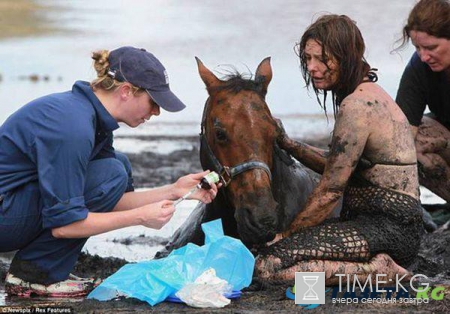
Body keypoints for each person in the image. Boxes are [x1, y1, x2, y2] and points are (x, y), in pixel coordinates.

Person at [0, 46, 219, 297]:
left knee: (117, 167)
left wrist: (174, 191)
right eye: (154, 101)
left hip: (11, 207)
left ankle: (40, 269)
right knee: (112, 172)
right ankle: (34, 276)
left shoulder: (91, 119)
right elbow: (65, 225)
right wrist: (140, 217)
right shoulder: (73, 127)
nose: (156, 112)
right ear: (126, 91)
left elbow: (107, 200)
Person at [255, 15, 423, 285]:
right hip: (392, 226)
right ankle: (376, 265)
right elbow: (339, 166)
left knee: (268, 264)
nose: (312, 67)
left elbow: (331, 190)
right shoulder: (368, 93)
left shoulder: (357, 105)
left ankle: (381, 271)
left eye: (322, 59)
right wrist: (288, 144)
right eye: (307, 59)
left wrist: (286, 236)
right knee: (289, 254)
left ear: (346, 56)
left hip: (386, 228)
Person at [395, 0, 450, 210]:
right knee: (410, 144)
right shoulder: (419, 66)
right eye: (417, 48)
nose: (424, 56)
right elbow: (402, 132)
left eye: (431, 47)